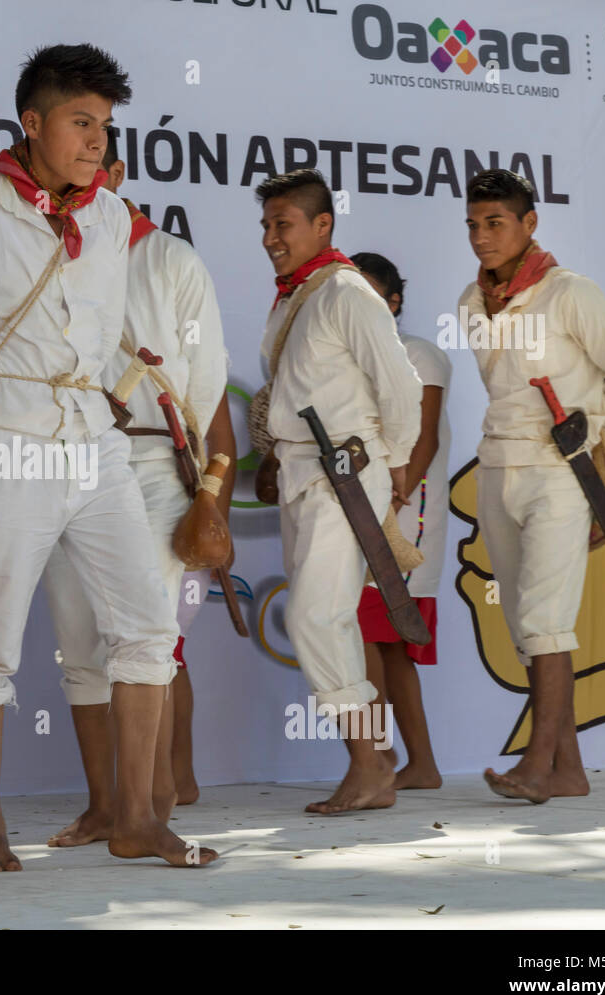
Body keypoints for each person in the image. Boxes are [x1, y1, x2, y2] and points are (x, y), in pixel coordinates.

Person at [0, 43, 216, 870]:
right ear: (33, 122)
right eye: (81, 123)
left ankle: (138, 818)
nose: (97, 141)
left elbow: (111, 332)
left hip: (94, 440)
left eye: (106, 126)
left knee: (148, 628)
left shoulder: (113, 218)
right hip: (4, 439)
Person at [43, 126, 232, 847]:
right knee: (77, 642)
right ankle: (105, 807)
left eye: (95, 166)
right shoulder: (47, 252)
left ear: (116, 172)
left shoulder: (172, 258)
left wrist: (209, 489)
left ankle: (146, 808)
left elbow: (207, 384)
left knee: (145, 635)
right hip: (67, 460)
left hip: (153, 466)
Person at [459, 169, 605, 803]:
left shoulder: (572, 293)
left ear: (529, 223)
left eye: (496, 223)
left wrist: (590, 430)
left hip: (560, 473)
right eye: (473, 225)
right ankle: (569, 770)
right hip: (496, 466)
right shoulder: (470, 301)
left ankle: (536, 766)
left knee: (545, 622)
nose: (482, 237)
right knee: (525, 627)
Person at [253, 168, 421, 814]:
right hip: (304, 472)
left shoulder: (348, 291)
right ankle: (373, 762)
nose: (270, 236)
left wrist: (397, 461)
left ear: (323, 225)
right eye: (266, 225)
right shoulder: (293, 295)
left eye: (283, 224)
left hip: (346, 469)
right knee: (330, 617)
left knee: (315, 617)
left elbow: (399, 387)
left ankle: (370, 764)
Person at [351, 252, 450, 790]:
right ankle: (414, 764)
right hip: (363, 514)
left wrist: (392, 500)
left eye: (367, 296)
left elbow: (424, 436)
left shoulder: (421, 355)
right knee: (378, 640)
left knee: (377, 636)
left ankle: (385, 760)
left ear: (393, 304)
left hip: (403, 519)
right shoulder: (347, 360)